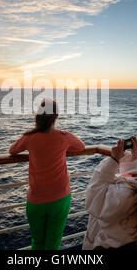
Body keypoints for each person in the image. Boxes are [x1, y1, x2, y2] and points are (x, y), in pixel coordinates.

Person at [9, 98, 85, 250]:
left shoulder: (29, 137)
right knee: (53, 243)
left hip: (36, 200)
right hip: (60, 198)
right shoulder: (64, 137)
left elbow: (12, 150)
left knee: (37, 243)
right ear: (56, 116)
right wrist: (64, 140)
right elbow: (81, 146)